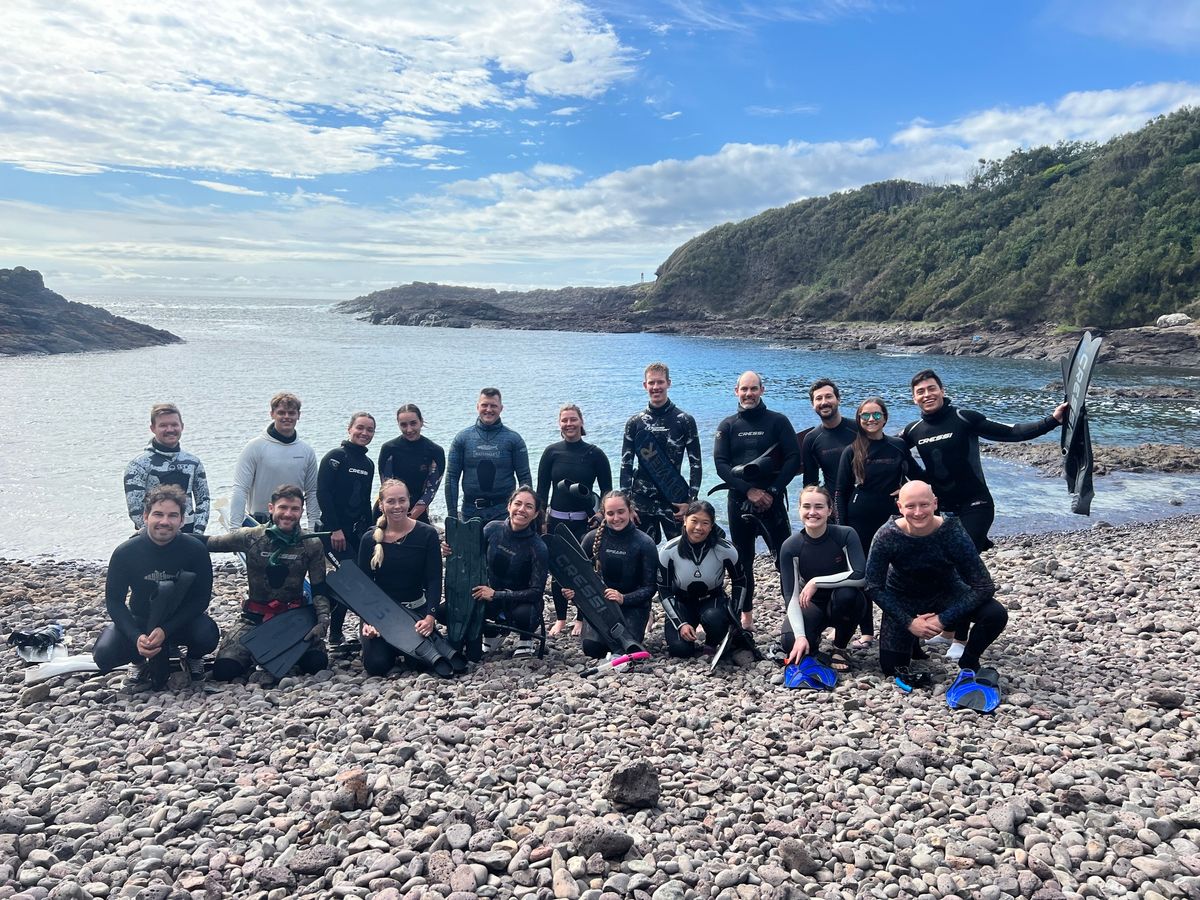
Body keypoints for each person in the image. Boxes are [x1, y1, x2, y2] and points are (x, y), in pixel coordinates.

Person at [865, 481, 1008, 708]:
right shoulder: (887, 535)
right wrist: (909, 622)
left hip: (945, 592)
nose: (918, 512)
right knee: (892, 669)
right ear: (899, 507)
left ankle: (969, 660)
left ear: (935, 503)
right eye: (911, 506)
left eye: (924, 505)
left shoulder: (952, 531)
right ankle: (912, 641)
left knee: (995, 613)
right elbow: (873, 586)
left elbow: (984, 586)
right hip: (903, 597)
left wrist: (944, 619)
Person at [901, 369, 1068, 553]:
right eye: (921, 391)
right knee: (941, 561)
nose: (927, 395)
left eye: (931, 389)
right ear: (914, 398)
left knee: (962, 553)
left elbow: (1012, 432)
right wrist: (903, 484)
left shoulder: (964, 418)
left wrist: (1052, 420)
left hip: (975, 503)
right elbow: (890, 451)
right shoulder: (913, 430)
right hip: (940, 509)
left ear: (942, 390)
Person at [204, 484, 331, 681]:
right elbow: (210, 542)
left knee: (316, 664)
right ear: (271, 508)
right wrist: (167, 537)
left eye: (294, 509)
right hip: (254, 617)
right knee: (225, 670)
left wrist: (322, 622)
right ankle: (251, 653)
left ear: (301, 512)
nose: (288, 514)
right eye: (283, 508)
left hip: (294, 619)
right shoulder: (251, 537)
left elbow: (319, 587)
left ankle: (276, 653)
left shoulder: (311, 543)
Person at [94, 484, 217, 686]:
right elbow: (114, 601)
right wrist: (136, 637)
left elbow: (201, 599)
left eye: (172, 515)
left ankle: (194, 658)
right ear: (145, 516)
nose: (164, 522)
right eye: (158, 514)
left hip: (180, 621)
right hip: (141, 620)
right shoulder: (125, 552)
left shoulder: (195, 550)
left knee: (207, 635)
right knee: (104, 655)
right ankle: (139, 660)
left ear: (182, 520)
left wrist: (166, 630)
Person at [713, 371, 802, 630]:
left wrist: (772, 491)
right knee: (743, 562)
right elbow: (720, 464)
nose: (748, 393)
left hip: (772, 502)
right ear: (736, 391)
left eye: (753, 388)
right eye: (744, 389)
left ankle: (794, 614)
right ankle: (746, 616)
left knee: (785, 559)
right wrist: (748, 491)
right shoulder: (727, 426)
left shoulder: (778, 421)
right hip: (739, 502)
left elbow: (793, 458)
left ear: (762, 390)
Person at [833, 397, 924, 648]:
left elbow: (919, 478)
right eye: (865, 416)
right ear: (859, 419)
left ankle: (904, 631)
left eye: (876, 415)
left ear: (885, 417)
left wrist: (905, 490)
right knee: (866, 578)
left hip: (892, 521)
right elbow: (840, 492)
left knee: (898, 576)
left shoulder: (897, 446)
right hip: (858, 521)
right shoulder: (851, 450)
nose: (871, 420)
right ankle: (867, 633)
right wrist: (842, 529)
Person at [536, 403, 613, 636]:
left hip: (584, 523)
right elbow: (541, 491)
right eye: (564, 420)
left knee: (584, 570)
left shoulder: (595, 454)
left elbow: (608, 492)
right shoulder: (551, 452)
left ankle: (581, 618)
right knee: (558, 570)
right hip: (556, 521)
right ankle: (560, 618)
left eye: (573, 419)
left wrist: (600, 514)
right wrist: (541, 521)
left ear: (581, 422)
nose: (569, 424)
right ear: (559, 424)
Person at [356, 479, 443, 676]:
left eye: (402, 500)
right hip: (380, 615)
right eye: (391, 501)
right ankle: (381, 645)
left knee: (421, 665)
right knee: (377, 666)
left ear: (409, 501)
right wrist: (367, 620)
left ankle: (398, 646)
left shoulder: (427, 534)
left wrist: (430, 617)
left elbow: (435, 580)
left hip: (415, 611)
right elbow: (363, 587)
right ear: (381, 504)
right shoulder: (369, 539)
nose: (397, 506)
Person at [777, 485, 868, 674]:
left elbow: (860, 575)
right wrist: (801, 636)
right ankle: (813, 639)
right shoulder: (790, 546)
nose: (812, 512)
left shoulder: (845, 534)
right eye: (807, 506)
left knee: (848, 596)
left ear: (829, 510)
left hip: (841, 600)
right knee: (790, 642)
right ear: (799, 510)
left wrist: (816, 581)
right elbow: (791, 596)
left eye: (818, 507)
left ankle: (840, 648)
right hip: (811, 603)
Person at [562, 491, 657, 659]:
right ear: (604, 514)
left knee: (624, 646)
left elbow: (650, 588)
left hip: (634, 606)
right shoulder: (592, 538)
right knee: (592, 648)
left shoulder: (644, 543)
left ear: (630, 511)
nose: (616, 518)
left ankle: (646, 618)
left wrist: (623, 598)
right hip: (602, 605)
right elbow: (577, 576)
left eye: (621, 512)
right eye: (610, 513)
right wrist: (572, 594)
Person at [620, 362, 702, 543]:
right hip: (641, 501)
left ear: (668, 383)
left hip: (674, 499)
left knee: (680, 553)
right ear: (645, 385)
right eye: (651, 383)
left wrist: (690, 501)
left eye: (660, 382)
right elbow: (626, 465)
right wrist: (627, 505)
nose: (656, 387)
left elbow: (695, 463)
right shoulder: (634, 423)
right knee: (642, 555)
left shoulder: (684, 420)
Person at [656, 501, 746, 658]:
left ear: (711, 526)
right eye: (694, 521)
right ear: (685, 520)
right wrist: (680, 623)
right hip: (682, 601)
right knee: (679, 651)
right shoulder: (668, 551)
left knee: (714, 619)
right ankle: (688, 631)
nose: (699, 528)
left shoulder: (725, 550)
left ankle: (711, 643)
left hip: (712, 599)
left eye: (705, 523)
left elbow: (740, 581)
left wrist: (735, 616)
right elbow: (663, 589)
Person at [318, 411, 377, 644]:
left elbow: (364, 500)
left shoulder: (368, 463)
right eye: (360, 428)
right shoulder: (335, 458)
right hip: (332, 533)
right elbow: (322, 493)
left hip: (355, 533)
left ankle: (335, 634)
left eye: (369, 430)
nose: (364, 433)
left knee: (350, 580)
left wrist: (371, 531)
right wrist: (334, 529)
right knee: (349, 579)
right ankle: (331, 632)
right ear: (349, 429)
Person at [469, 486, 549, 659]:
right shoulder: (491, 529)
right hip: (491, 598)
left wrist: (497, 594)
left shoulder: (538, 547)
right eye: (518, 503)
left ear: (535, 514)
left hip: (523, 605)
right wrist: (450, 550)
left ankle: (525, 640)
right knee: (446, 611)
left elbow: (536, 593)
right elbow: (471, 558)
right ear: (509, 506)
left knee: (524, 614)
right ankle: (493, 634)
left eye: (528, 506)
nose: (521, 509)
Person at [230, 392, 320, 529]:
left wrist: (313, 527)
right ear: (272, 414)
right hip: (258, 525)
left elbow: (312, 492)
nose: (287, 417)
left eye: (291, 413)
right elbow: (240, 489)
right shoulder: (254, 447)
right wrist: (234, 529)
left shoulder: (306, 451)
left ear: (298, 415)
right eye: (281, 413)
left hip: (292, 525)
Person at [445, 388, 531, 524]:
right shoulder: (462, 438)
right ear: (477, 406)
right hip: (470, 511)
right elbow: (451, 477)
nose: (488, 410)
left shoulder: (514, 439)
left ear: (501, 408)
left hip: (505, 513)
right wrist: (452, 516)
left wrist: (526, 514)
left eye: (493, 406)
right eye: (484, 405)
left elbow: (524, 478)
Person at [123, 402, 211, 534]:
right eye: (163, 425)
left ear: (182, 426)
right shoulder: (138, 465)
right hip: (153, 536)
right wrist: (158, 536)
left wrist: (197, 534)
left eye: (174, 424)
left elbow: (203, 501)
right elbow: (135, 509)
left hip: (189, 534)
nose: (170, 429)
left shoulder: (193, 463)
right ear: (152, 428)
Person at [377, 403, 446, 525]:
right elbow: (386, 486)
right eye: (403, 425)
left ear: (421, 422)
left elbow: (431, 490)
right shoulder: (389, 449)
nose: (409, 429)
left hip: (417, 513)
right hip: (388, 511)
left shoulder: (435, 451)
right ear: (398, 424)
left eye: (413, 423)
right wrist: (394, 516)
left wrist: (409, 518)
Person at [800, 378, 858, 492]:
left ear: (838, 399)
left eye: (828, 396)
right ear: (813, 404)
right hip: (833, 503)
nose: (824, 402)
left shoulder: (858, 428)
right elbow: (810, 482)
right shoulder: (811, 439)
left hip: (863, 501)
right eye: (819, 398)